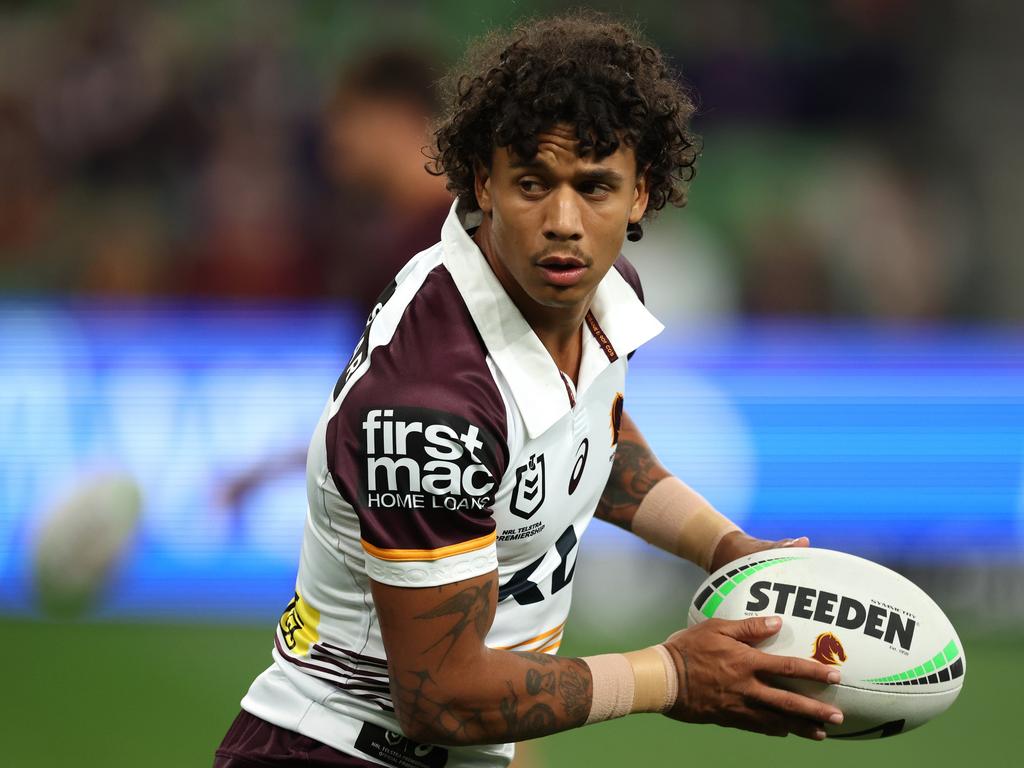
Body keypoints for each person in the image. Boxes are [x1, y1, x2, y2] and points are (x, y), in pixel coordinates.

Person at [214, 12, 844, 768]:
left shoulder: (600, 293)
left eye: (597, 187)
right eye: (533, 184)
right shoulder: (432, 405)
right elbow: (441, 692)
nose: (565, 223)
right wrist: (672, 675)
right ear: (483, 181)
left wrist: (725, 547)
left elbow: (587, 438)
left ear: (642, 194)